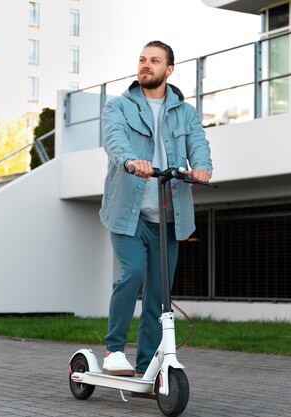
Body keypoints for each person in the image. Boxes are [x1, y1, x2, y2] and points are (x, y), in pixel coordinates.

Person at [99, 40, 212, 376]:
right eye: (142, 59)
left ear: (169, 69)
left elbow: (199, 145)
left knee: (160, 297)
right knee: (131, 273)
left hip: (168, 218)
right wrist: (130, 160)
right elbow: (114, 139)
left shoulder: (186, 112)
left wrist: (203, 167)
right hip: (127, 214)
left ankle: (147, 366)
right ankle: (114, 350)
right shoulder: (118, 106)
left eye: (155, 60)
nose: (146, 65)